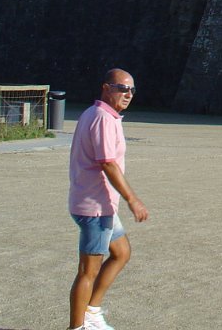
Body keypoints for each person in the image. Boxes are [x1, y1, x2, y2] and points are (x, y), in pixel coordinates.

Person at [68, 69, 149, 330]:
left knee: (121, 253)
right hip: (95, 206)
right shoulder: (102, 118)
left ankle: (91, 311)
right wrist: (132, 199)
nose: (128, 94)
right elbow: (108, 163)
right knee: (88, 271)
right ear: (106, 88)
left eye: (132, 90)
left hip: (102, 205)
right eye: (122, 88)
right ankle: (77, 327)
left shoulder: (99, 114)